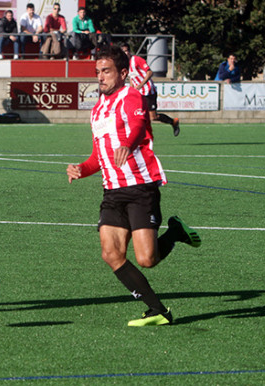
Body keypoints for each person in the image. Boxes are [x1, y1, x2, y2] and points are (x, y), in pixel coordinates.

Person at [66, 45, 201, 327]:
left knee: (147, 259)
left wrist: (128, 143)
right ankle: (157, 310)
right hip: (112, 191)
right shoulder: (97, 111)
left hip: (141, 187)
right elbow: (97, 157)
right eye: (97, 72)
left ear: (123, 73)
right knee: (111, 254)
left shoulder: (132, 95)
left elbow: (139, 124)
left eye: (106, 71)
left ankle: (175, 233)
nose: (100, 77)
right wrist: (82, 169)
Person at [121, 43, 180, 137]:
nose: (126, 53)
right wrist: (132, 90)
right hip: (138, 93)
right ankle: (135, 135)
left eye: (127, 50)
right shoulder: (125, 64)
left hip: (148, 91)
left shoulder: (136, 60)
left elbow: (149, 72)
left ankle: (173, 122)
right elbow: (132, 78)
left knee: (153, 117)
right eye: (124, 51)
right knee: (133, 113)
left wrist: (140, 85)